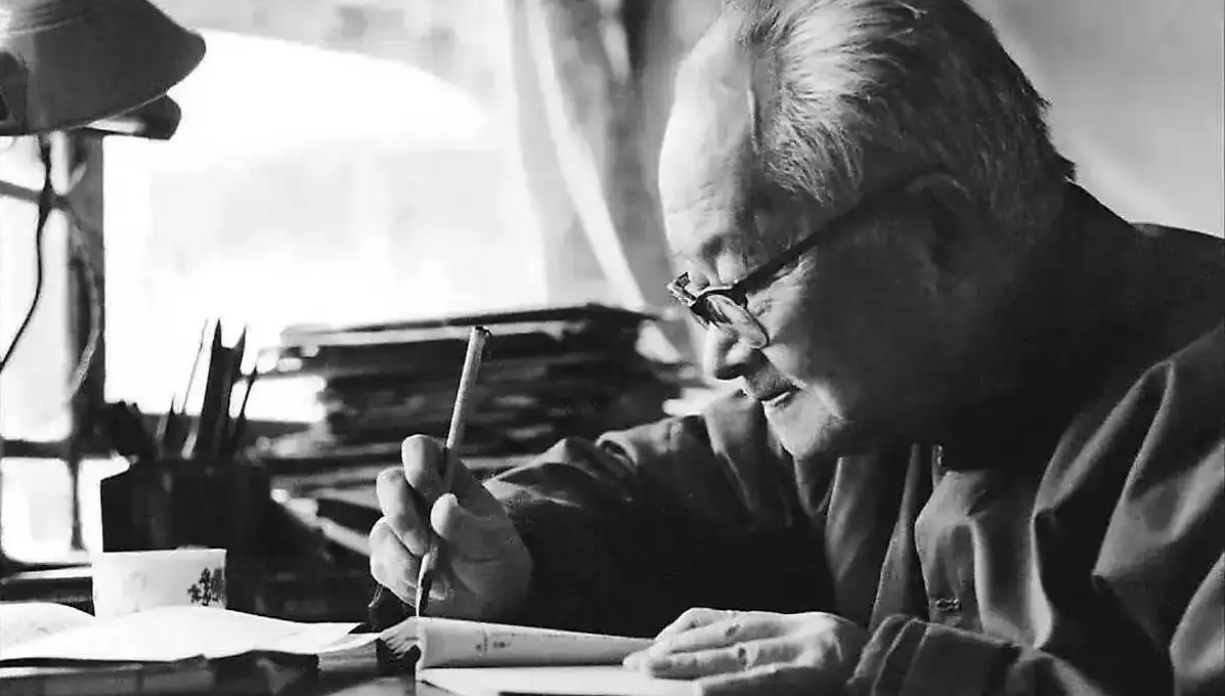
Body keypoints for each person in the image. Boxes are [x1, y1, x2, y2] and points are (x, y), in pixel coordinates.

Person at [368, 0, 1224, 693]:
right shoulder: (873, 399)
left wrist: (884, 680)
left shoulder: (1197, 401)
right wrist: (510, 553)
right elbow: (642, 488)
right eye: (698, 297)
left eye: (740, 286)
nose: (719, 357)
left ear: (937, 231)